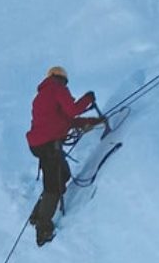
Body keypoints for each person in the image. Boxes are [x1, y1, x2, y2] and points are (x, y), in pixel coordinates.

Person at [26, 65, 107, 246]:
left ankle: (37, 215)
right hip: (49, 146)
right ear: (60, 78)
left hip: (40, 144)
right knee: (53, 185)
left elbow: (66, 119)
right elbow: (72, 111)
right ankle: (43, 229)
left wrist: (94, 121)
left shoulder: (41, 97)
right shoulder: (57, 88)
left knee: (62, 175)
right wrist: (87, 98)